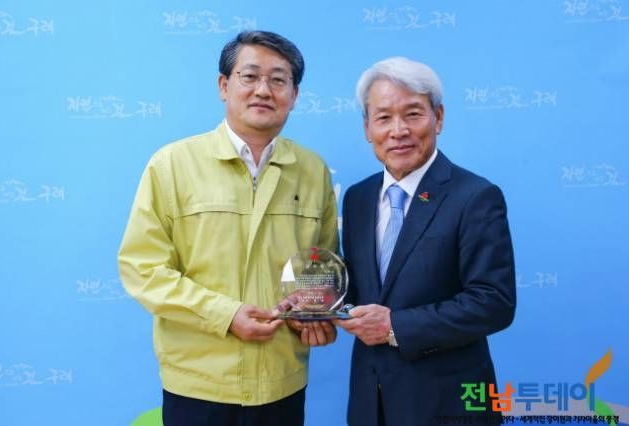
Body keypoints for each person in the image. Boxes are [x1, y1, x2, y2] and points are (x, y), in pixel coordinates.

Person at [118, 30, 338, 426]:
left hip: (282, 382)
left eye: (278, 80)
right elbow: (143, 268)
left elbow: (321, 267)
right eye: (249, 76)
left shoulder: (313, 171)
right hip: (199, 384)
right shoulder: (172, 165)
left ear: (294, 95)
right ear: (224, 85)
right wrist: (226, 314)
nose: (263, 90)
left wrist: (315, 314)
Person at [334, 57, 516, 426]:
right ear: (367, 128)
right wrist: (316, 304)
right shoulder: (358, 198)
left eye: (413, 114)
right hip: (371, 403)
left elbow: (493, 302)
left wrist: (395, 326)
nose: (398, 130)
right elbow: (362, 288)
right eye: (383, 117)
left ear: (439, 117)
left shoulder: (475, 196)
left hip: (447, 404)